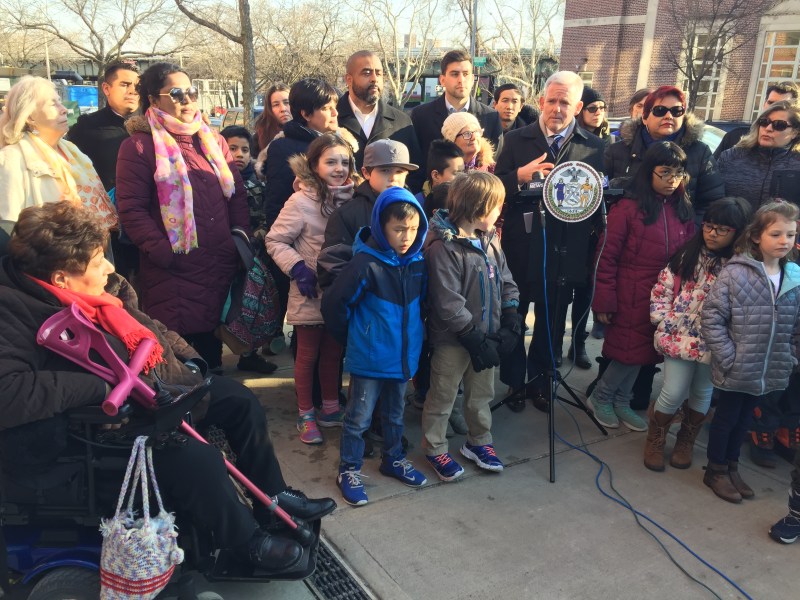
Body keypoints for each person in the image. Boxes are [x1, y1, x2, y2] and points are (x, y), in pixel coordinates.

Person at [0, 202, 336, 573]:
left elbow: (149, 327)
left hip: (158, 388)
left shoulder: (100, 292)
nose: (110, 267)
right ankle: (244, 544)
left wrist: (191, 359)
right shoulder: (13, 310)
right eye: (98, 262)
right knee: (199, 460)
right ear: (61, 278)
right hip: (102, 426)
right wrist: (99, 387)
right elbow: (9, 392)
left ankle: (272, 497)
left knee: (239, 400)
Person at [115, 62, 249, 374]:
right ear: (153, 99)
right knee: (183, 357)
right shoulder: (138, 146)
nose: (188, 100)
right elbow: (132, 212)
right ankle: (192, 419)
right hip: (173, 271)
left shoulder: (212, 141)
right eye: (176, 94)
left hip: (218, 262)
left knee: (213, 353)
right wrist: (165, 253)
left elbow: (236, 195)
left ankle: (215, 419)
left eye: (191, 91)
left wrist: (237, 238)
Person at [494, 71, 603, 409]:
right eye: (551, 101)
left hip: (565, 249)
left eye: (565, 102)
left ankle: (542, 381)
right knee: (515, 314)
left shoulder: (595, 147)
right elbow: (495, 189)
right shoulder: (515, 140)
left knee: (552, 319)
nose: (557, 108)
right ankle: (514, 383)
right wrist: (519, 177)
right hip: (522, 245)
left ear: (578, 106)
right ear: (541, 102)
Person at [322, 186, 428, 505]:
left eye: (411, 229)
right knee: (359, 418)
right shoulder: (365, 264)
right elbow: (334, 305)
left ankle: (393, 459)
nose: (406, 236)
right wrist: (355, 339)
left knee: (395, 415)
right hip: (369, 359)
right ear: (382, 227)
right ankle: (349, 469)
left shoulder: (417, 262)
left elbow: (422, 306)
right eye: (398, 229)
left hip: (402, 359)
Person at [588, 142, 695, 431]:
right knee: (627, 351)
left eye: (678, 173)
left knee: (645, 352)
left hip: (665, 297)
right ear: (649, 172)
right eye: (665, 173)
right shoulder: (627, 208)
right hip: (629, 292)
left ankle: (622, 401)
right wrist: (604, 300)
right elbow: (606, 256)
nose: (672, 180)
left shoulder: (682, 209)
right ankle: (601, 396)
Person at [421, 172, 520, 481]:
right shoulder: (444, 247)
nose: (500, 212)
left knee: (480, 395)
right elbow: (447, 301)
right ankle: (435, 446)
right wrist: (472, 336)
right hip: (454, 340)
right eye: (497, 206)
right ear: (479, 207)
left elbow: (505, 279)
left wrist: (511, 313)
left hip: (486, 335)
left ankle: (479, 442)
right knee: (443, 395)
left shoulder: (490, 239)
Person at [702, 201, 800, 503]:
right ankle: (715, 469)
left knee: (747, 419)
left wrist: (790, 354)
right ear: (757, 236)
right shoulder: (736, 273)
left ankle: (732, 466)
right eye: (776, 234)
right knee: (727, 418)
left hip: (769, 366)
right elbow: (712, 317)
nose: (784, 241)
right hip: (737, 366)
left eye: (791, 235)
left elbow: (796, 323)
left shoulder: (794, 277)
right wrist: (729, 357)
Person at [645, 197, 751, 471]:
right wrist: (663, 319)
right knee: (673, 390)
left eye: (722, 229)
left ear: (738, 232)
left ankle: (686, 439)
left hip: (716, 343)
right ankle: (656, 437)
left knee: (702, 392)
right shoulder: (687, 255)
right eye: (709, 226)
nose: (713, 233)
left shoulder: (740, 267)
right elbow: (663, 288)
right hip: (679, 336)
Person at [265, 133, 357, 445]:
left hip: (340, 290)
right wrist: (298, 267)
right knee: (307, 354)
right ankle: (306, 413)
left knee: (333, 352)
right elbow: (275, 239)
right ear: (314, 165)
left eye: (344, 162)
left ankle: (330, 406)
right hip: (309, 290)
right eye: (331, 161)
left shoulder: (354, 198)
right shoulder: (301, 201)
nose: (339, 168)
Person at [0, 76, 117, 232]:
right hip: (49, 252)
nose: (63, 109)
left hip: (92, 246)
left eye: (60, 102)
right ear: (29, 117)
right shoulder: (12, 157)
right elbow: (9, 225)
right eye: (53, 104)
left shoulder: (71, 150)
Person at [605, 86, 725, 218]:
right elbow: (601, 198)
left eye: (676, 111)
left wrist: (688, 231)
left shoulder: (700, 152)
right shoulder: (617, 151)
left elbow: (712, 202)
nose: (668, 116)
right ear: (645, 117)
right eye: (660, 110)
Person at [317, 139, 418, 288]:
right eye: (385, 170)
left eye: (399, 171)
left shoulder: (415, 210)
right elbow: (332, 270)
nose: (393, 178)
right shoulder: (346, 215)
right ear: (366, 172)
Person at [219, 125, 279, 376]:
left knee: (251, 306)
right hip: (221, 255)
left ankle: (249, 354)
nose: (240, 155)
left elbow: (267, 216)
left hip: (253, 256)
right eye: (232, 148)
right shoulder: (216, 181)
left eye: (245, 150)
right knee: (221, 306)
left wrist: (259, 236)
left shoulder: (258, 185)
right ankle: (212, 356)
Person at [336, 51, 423, 189]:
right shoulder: (332, 118)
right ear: (349, 79)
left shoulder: (401, 122)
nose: (374, 79)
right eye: (366, 73)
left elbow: (416, 173)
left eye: (379, 73)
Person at [411, 49, 502, 174]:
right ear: (442, 80)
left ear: (472, 79)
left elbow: (497, 164)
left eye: (466, 74)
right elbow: (416, 163)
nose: (461, 80)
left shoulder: (491, 117)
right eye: (454, 74)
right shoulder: (421, 116)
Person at [68, 62, 140, 191]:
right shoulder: (87, 127)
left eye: (137, 86)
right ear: (106, 89)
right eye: (125, 85)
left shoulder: (153, 125)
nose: (133, 91)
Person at [717, 101, 800, 211]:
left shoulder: (796, 164)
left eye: (779, 125)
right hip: (734, 227)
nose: (768, 128)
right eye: (764, 122)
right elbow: (710, 200)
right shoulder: (730, 157)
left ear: (795, 132)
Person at [714, 81, 799, 159]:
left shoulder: (795, 160)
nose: (774, 108)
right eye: (771, 103)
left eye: (781, 105)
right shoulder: (735, 137)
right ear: (764, 103)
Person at [252, 83, 291, 155]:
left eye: (287, 102)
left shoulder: (307, 130)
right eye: (276, 105)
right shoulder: (259, 138)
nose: (283, 109)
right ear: (270, 109)